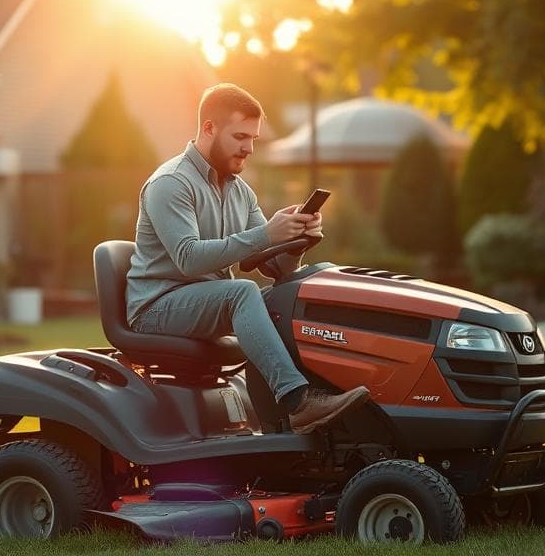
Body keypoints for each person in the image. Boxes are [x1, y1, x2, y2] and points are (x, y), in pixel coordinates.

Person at [126, 83, 369, 434]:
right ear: (208, 128)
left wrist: (296, 242)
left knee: (283, 297)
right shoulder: (171, 183)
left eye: (253, 139)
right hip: (157, 305)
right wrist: (267, 233)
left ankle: (301, 411)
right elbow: (189, 260)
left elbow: (272, 267)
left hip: (205, 301)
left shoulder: (240, 191)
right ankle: (297, 403)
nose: (249, 148)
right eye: (240, 136)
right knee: (240, 292)